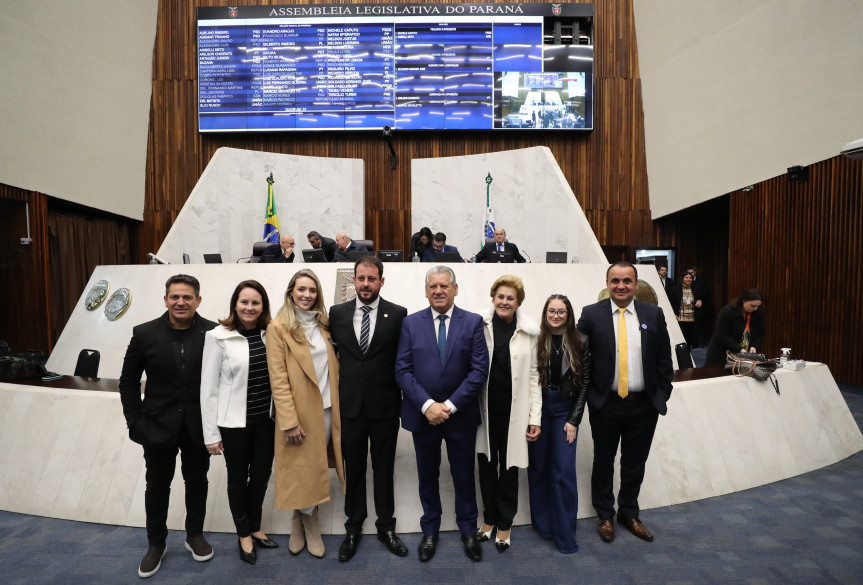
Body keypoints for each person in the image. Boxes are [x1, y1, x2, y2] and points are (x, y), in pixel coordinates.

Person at [118, 274, 217, 578]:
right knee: (157, 486)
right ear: (165, 300)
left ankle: (194, 535)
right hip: (157, 426)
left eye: (187, 297)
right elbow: (128, 382)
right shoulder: (145, 334)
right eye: (175, 296)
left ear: (198, 300)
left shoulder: (214, 333)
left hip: (198, 427)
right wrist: (135, 420)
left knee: (197, 481)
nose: (181, 302)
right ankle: (156, 544)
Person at [395, 266, 489, 562]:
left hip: (459, 417)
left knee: (463, 475)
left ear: (455, 289)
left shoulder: (473, 322)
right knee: (427, 476)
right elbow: (402, 369)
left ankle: (468, 530)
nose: (438, 290)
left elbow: (479, 370)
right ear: (426, 291)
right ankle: (430, 531)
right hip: (422, 416)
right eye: (433, 286)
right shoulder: (410, 323)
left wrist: (448, 406)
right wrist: (427, 406)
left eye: (444, 286)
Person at [576, 262, 673, 544]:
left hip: (643, 406)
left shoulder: (653, 315)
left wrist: (662, 393)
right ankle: (605, 514)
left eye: (627, 281)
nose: (621, 286)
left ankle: (628, 513)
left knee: (635, 462)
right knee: (603, 461)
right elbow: (578, 355)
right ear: (607, 283)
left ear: (635, 284)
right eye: (615, 281)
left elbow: (664, 359)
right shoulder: (591, 314)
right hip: (605, 404)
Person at [328, 256, 409, 561]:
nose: (365, 284)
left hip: (385, 408)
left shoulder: (398, 314)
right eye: (360, 278)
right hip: (349, 408)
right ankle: (353, 528)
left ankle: (386, 527)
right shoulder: (336, 314)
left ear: (381, 281)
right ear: (354, 281)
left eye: (371, 279)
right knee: (354, 470)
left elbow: (404, 360)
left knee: (384, 469)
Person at [266, 269, 345, 558]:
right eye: (301, 289)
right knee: (302, 469)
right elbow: (278, 379)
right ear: (290, 293)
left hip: (327, 409)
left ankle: (300, 519)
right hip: (298, 414)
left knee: (315, 467)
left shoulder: (325, 325)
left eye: (312, 290)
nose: (307, 295)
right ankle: (308, 524)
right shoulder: (278, 328)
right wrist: (288, 421)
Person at [200, 280, 278, 565]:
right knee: (237, 480)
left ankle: (255, 526)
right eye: (244, 302)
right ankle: (243, 533)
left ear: (263, 307)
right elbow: (207, 389)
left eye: (255, 303)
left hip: (266, 421)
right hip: (234, 424)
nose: (249, 307)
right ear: (235, 304)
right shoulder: (217, 336)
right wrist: (211, 434)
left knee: (260, 477)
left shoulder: (272, 334)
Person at [475, 276, 541, 553]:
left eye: (510, 298)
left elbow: (535, 376)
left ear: (518, 302)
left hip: (515, 413)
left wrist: (535, 417)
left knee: (510, 469)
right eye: (500, 296)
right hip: (484, 411)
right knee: (486, 467)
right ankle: (488, 518)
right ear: (493, 298)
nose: (504, 302)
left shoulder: (530, 331)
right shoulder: (479, 326)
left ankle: (505, 523)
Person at [528, 293, 589, 554]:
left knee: (563, 472)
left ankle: (565, 535)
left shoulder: (581, 340)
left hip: (565, 409)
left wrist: (574, 419)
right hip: (539, 409)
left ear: (569, 315)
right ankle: (544, 526)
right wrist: (531, 417)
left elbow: (585, 383)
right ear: (545, 314)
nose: (555, 316)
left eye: (561, 312)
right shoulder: (535, 339)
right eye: (551, 311)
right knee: (539, 468)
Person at [705, 289, 765, 366]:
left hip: (743, 355)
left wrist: (755, 346)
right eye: (752, 306)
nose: (755, 309)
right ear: (744, 301)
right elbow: (722, 334)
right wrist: (739, 348)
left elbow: (761, 333)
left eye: (757, 306)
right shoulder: (728, 311)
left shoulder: (758, 313)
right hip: (722, 352)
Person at [668, 272, 697, 348]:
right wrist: (673, 314)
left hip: (691, 319)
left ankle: (688, 356)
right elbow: (670, 302)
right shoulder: (675, 289)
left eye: (690, 278)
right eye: (686, 277)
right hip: (680, 319)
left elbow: (698, 300)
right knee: (680, 339)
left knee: (689, 340)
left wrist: (699, 300)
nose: (688, 279)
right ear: (682, 279)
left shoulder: (694, 289)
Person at [685, 267, 707, 347]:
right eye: (688, 273)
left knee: (698, 326)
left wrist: (700, 299)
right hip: (686, 307)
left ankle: (697, 343)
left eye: (692, 273)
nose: (690, 274)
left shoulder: (700, 282)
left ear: (695, 273)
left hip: (697, 307)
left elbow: (704, 293)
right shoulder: (684, 282)